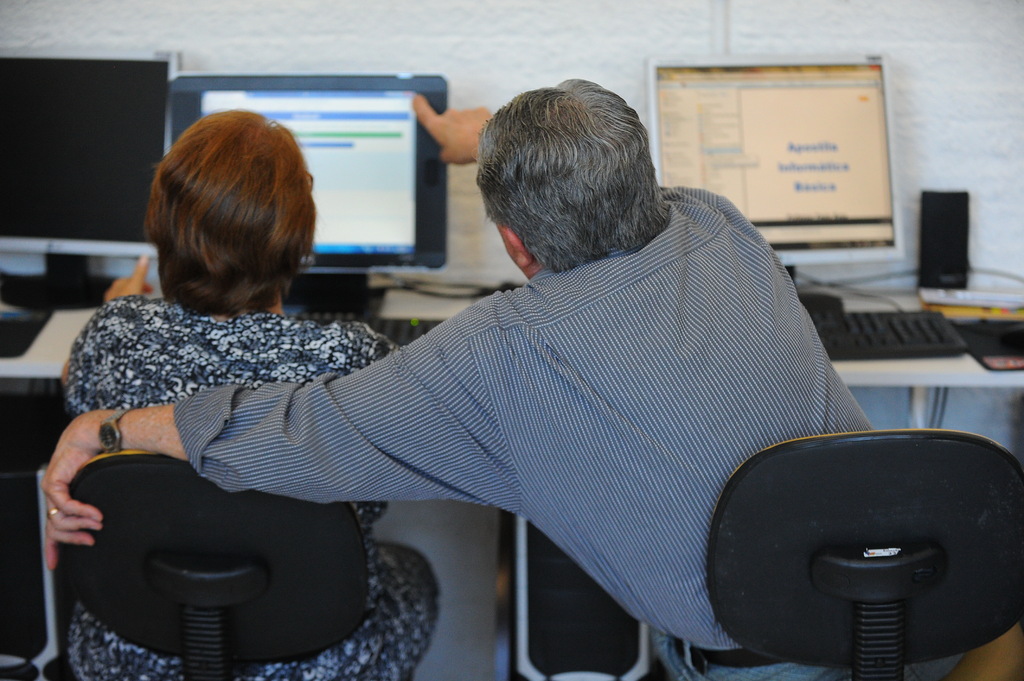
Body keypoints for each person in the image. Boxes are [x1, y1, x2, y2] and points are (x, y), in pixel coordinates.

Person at [44, 81, 1023, 681]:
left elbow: (291, 430)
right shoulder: (721, 224)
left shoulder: (493, 356)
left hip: (764, 661)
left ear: (512, 246)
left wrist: (113, 431)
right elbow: (631, 179)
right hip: (943, 605)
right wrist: (507, 134)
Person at [54, 109, 438, 681]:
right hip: (315, 654)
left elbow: (73, 385)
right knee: (414, 573)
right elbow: (381, 490)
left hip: (131, 650)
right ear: (299, 235)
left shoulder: (109, 336)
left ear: (160, 223)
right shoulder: (353, 358)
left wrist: (121, 308)